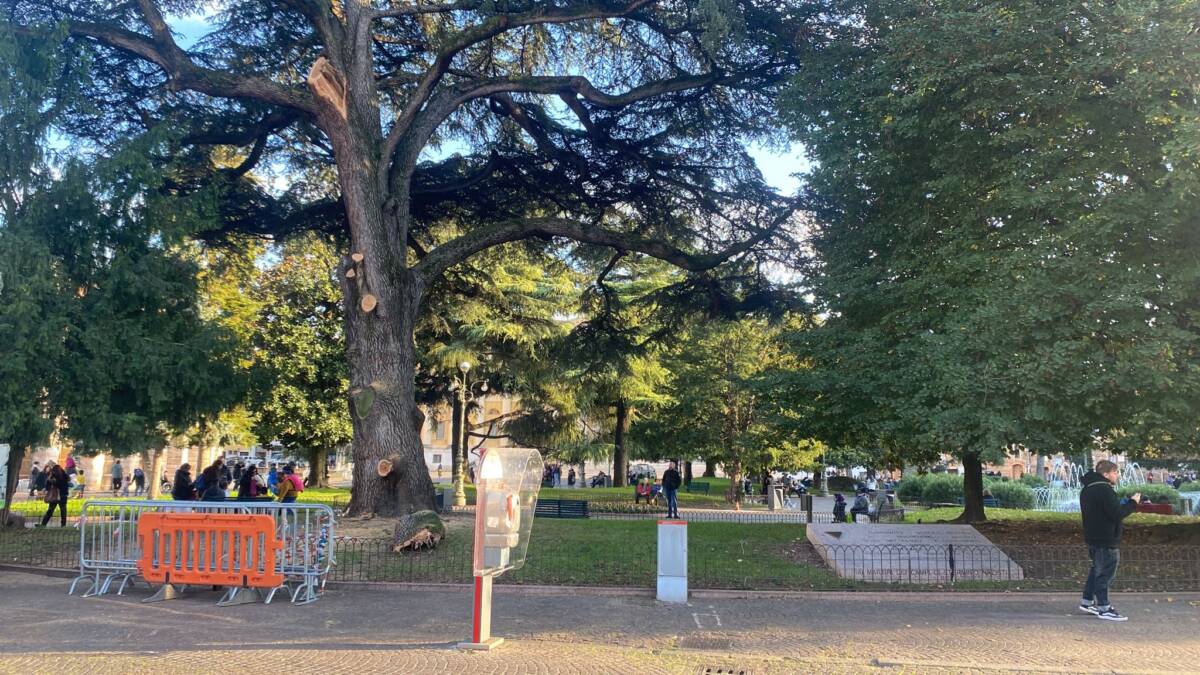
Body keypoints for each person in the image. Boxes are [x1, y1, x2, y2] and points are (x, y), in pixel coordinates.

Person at [1079, 460, 1140, 622]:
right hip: (1106, 538)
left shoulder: (1087, 488)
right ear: (1105, 474)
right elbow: (1116, 514)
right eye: (1115, 472)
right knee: (1105, 573)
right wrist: (1133, 503)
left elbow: (1105, 510)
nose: (1117, 475)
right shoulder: (1104, 489)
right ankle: (1104, 608)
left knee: (1096, 570)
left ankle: (1087, 601)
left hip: (1093, 536)